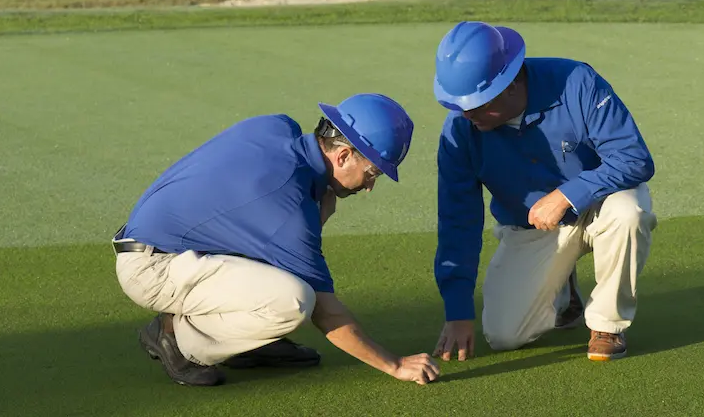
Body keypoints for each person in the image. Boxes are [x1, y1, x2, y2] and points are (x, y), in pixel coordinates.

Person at [113, 93, 441, 386]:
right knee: (294, 300)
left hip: (164, 241)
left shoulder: (277, 126)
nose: (369, 187)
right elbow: (326, 313)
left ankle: (250, 341)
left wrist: (313, 210)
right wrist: (395, 365)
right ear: (342, 156)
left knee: (281, 265)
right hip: (152, 268)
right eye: (372, 173)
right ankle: (175, 337)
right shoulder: (291, 206)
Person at [429, 21, 657, 362]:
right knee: (504, 335)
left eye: (477, 104)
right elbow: (457, 223)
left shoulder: (577, 81)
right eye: (460, 104)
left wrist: (567, 195)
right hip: (532, 228)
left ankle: (607, 325)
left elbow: (634, 158)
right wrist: (458, 311)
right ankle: (565, 293)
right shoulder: (460, 130)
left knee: (629, 212)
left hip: (601, 206)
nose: (467, 113)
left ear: (510, 85)